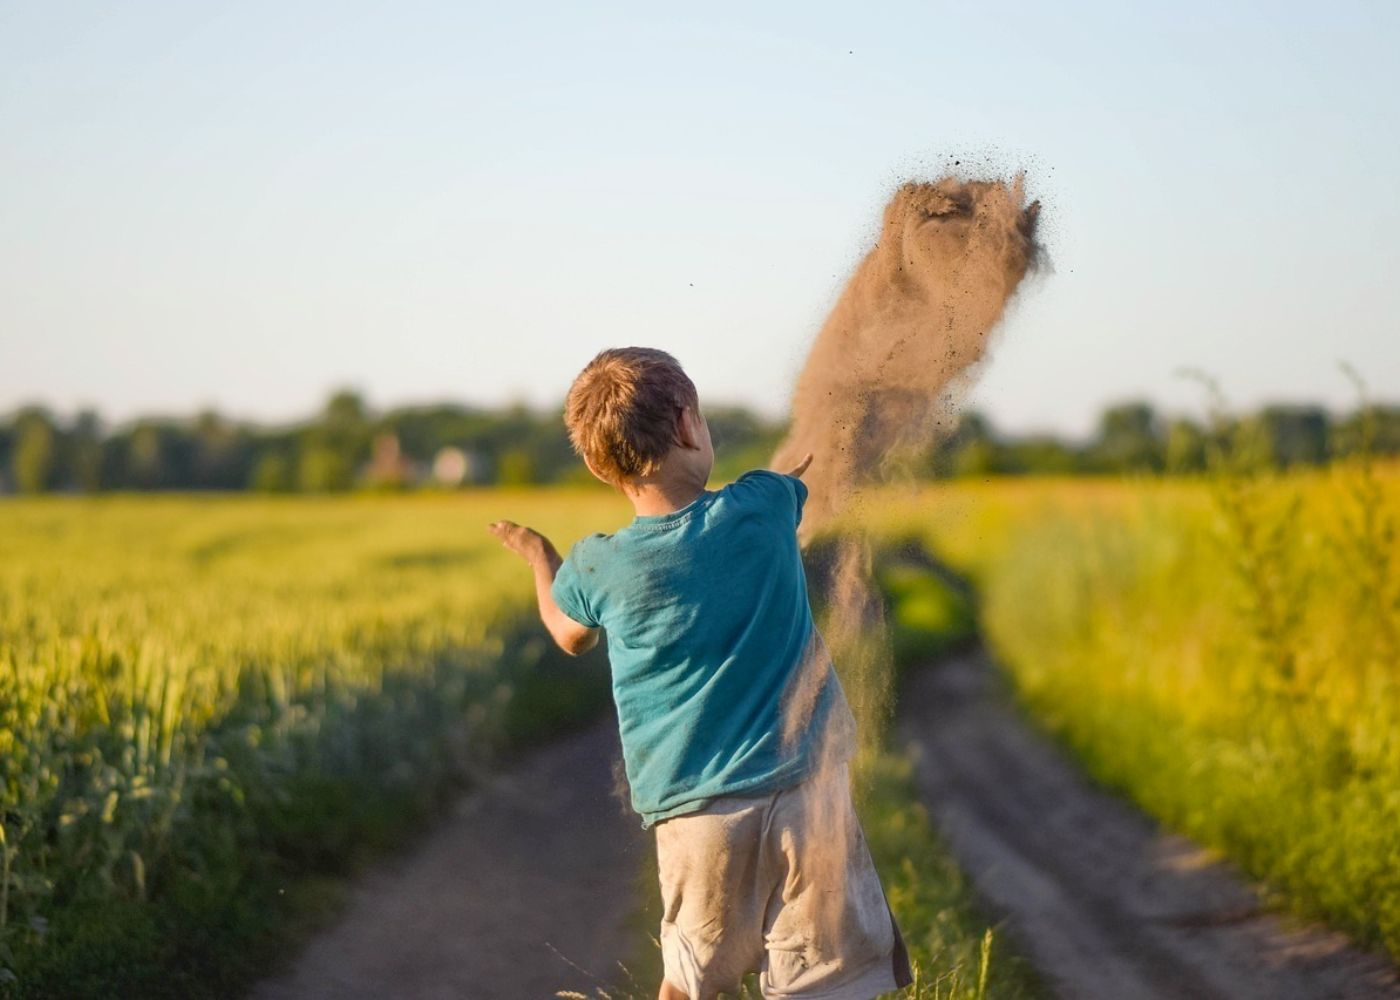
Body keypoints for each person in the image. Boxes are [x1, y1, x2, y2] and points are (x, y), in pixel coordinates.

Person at [489, 347, 912, 1000]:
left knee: (690, 980)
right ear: (687, 424)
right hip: (810, 792)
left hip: (697, 814)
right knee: (826, 981)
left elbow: (567, 634)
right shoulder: (763, 503)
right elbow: (796, 479)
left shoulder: (597, 567)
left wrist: (542, 559)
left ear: (600, 466)